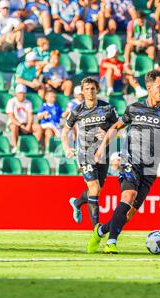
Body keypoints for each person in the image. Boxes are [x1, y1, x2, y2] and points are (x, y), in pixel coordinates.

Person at [88, 70, 160, 254]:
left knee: (130, 212)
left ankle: (101, 230)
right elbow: (116, 127)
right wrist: (103, 147)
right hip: (130, 160)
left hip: (151, 167)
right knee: (128, 196)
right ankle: (111, 242)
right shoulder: (134, 108)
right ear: (149, 87)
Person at [61, 77, 118, 226]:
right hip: (85, 154)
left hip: (103, 154)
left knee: (96, 191)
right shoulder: (77, 111)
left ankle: (77, 203)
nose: (90, 92)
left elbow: (116, 130)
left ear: (97, 90)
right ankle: (96, 231)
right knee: (94, 188)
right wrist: (66, 148)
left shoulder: (108, 108)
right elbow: (64, 132)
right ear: (82, 91)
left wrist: (107, 135)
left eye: (92, 88)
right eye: (87, 89)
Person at [6, 84, 35, 152]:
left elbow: (30, 116)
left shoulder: (28, 102)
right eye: (20, 93)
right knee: (14, 127)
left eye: (23, 93)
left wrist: (29, 125)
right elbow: (12, 118)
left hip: (25, 123)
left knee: (38, 128)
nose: (22, 95)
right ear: (16, 93)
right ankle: (15, 146)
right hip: (15, 123)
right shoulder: (11, 101)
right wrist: (21, 125)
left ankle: (35, 146)